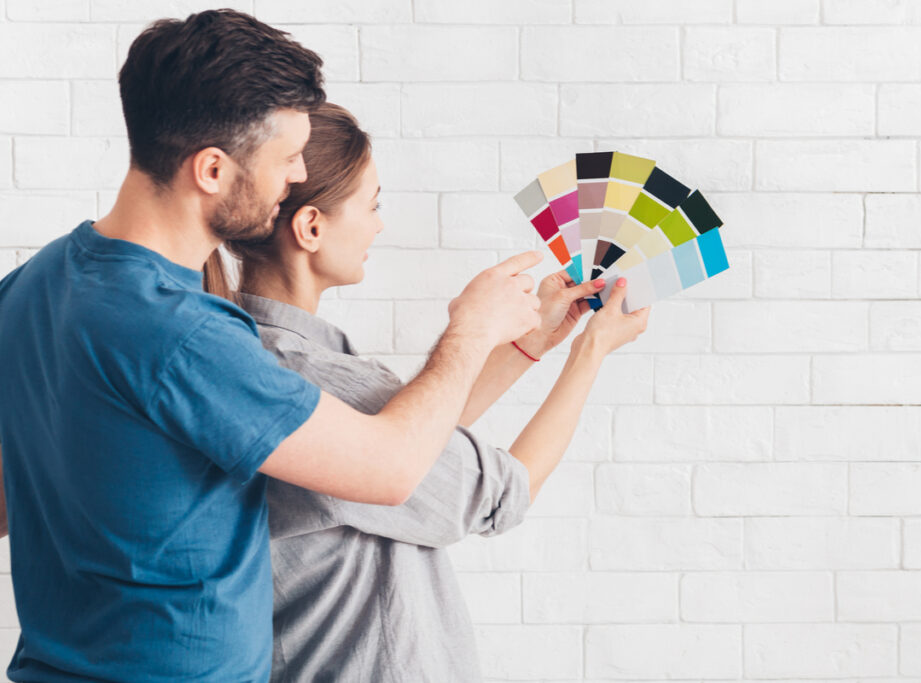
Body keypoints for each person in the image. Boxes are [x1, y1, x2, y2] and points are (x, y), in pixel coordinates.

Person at [0, 10, 544, 681]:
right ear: (212, 170)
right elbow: (391, 468)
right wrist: (471, 328)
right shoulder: (186, 335)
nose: (294, 179)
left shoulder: (32, 284)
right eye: (286, 159)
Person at [216, 102, 650, 681]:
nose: (379, 224)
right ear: (311, 227)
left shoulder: (256, 355)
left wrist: (529, 344)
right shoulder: (311, 377)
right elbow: (503, 493)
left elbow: (414, 448)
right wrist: (589, 351)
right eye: (372, 205)